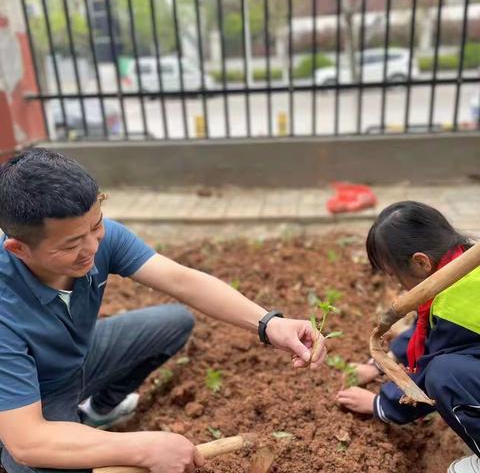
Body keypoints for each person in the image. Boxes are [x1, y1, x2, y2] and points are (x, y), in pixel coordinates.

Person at [0, 148, 327, 473]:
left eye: (96, 225)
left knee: (173, 322)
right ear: (19, 249)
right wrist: (142, 448)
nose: (93, 247)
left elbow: (181, 280)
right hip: (28, 400)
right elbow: (29, 441)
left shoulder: (98, 238)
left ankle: (97, 412)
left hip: (74, 360)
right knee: (39, 463)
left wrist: (268, 323)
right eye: (71, 245)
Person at [336, 201, 480, 473]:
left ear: (420, 262)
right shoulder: (462, 263)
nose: (395, 284)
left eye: (394, 275)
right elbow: (426, 328)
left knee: (444, 374)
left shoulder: (457, 306)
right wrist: (381, 363)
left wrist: (381, 404)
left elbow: (428, 373)